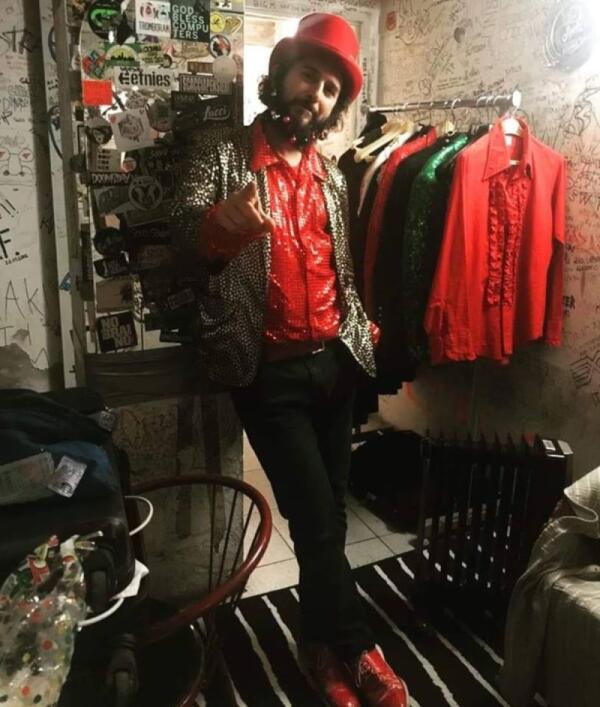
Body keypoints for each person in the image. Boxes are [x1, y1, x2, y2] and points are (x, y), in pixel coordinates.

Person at [172, 13, 409, 707]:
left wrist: (361, 323)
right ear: (280, 75)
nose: (318, 94)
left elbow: (342, 267)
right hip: (266, 371)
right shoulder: (222, 154)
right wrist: (219, 229)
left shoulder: (332, 176)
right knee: (314, 518)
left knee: (327, 519)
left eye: (333, 89)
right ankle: (360, 649)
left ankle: (319, 646)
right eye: (310, 75)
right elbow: (181, 244)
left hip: (336, 363)